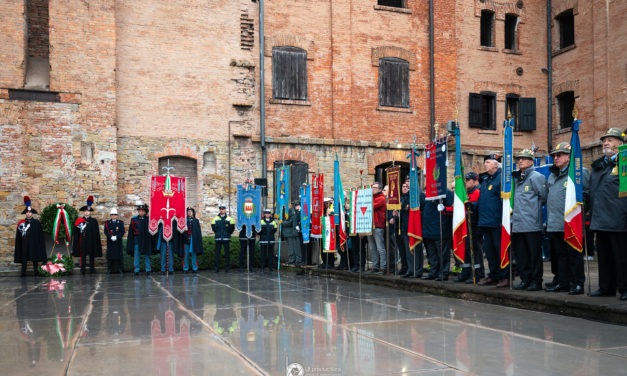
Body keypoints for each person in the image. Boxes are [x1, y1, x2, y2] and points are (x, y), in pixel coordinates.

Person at [545, 142, 590, 295]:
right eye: (554, 156)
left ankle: (577, 283)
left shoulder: (579, 172)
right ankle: (563, 282)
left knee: (574, 255)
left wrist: (584, 219)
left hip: (571, 223)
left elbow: (586, 196)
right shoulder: (552, 176)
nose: (556, 158)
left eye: (560, 155)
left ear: (569, 157)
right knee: (559, 256)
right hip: (555, 223)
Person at [589, 128, 627, 301]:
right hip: (600, 218)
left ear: (620, 143)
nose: (605, 143)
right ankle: (606, 287)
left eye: (610, 140)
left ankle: (625, 288)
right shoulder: (598, 166)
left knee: (621, 258)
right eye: (604, 140)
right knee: (604, 257)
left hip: (619, 218)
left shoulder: (624, 163)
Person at [511, 149, 547, 291]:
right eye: (519, 158)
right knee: (521, 256)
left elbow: (543, 196)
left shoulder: (536, 176)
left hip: (532, 224)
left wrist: (532, 211)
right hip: (518, 224)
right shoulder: (517, 178)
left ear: (531, 161)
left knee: (534, 256)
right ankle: (525, 280)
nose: (520, 161)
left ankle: (536, 281)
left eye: (524, 158)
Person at [477, 154, 510, 288]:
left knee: (500, 251)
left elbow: (504, 201)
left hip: (497, 222)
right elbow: (483, 200)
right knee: (490, 252)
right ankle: (494, 275)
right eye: (485, 162)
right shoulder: (486, 180)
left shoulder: (501, 179)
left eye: (488, 162)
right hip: (485, 221)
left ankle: (505, 276)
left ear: (496, 165)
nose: (485, 164)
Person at [455, 172, 485, 283]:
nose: (466, 182)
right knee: (466, 249)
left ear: (473, 180)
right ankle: (466, 272)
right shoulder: (466, 193)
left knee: (475, 250)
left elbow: (477, 209)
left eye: (467, 180)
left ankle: (477, 273)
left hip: (474, 226)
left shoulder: (477, 192)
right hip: (466, 225)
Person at [420, 189, 454, 281]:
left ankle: (443, 273)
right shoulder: (429, 192)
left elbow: (453, 207)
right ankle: (433, 272)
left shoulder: (446, 192)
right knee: (432, 254)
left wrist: (445, 209)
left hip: (441, 229)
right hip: (428, 230)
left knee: (442, 254)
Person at [14, 196, 47, 277]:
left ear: (32, 213)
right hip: (24, 243)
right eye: (27, 212)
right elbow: (19, 235)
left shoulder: (36, 223)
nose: (28, 213)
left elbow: (40, 235)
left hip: (34, 243)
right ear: (25, 213)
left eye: (29, 212)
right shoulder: (21, 223)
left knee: (34, 257)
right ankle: (23, 272)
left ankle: (36, 271)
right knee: (24, 257)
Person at [73, 196, 102, 275]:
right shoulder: (79, 221)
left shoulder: (94, 221)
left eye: (88, 211)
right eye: (85, 211)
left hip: (91, 240)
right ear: (83, 212)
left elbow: (96, 233)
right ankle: (83, 270)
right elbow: (76, 231)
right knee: (83, 255)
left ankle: (92, 269)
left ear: (90, 212)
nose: (87, 212)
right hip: (83, 240)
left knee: (92, 255)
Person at [126, 203, 154, 276]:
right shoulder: (134, 220)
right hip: (137, 239)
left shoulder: (149, 220)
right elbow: (131, 232)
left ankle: (148, 270)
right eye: (140, 211)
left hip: (146, 239)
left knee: (147, 254)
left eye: (142, 211)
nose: (141, 212)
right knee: (136, 255)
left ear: (145, 211)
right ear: (138, 211)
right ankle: (136, 270)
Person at [367, 182, 386, 273]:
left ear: (380, 189)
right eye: (372, 187)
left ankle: (383, 267)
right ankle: (375, 266)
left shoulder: (381, 198)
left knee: (380, 248)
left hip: (378, 225)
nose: (372, 189)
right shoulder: (372, 198)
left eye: (374, 188)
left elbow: (370, 206)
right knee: (372, 248)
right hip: (370, 225)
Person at [211, 204, 235, 272]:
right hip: (218, 238)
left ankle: (227, 268)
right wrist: (218, 233)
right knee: (217, 254)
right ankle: (216, 268)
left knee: (227, 254)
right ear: (219, 210)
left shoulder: (229, 219)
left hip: (226, 238)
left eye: (223, 209)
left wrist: (227, 234)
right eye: (220, 209)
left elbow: (232, 228)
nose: (221, 210)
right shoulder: (215, 218)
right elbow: (213, 228)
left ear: (225, 210)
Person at [181, 207, 204, 273]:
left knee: (194, 255)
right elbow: (182, 231)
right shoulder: (184, 220)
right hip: (186, 240)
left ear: (193, 213)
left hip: (193, 241)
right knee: (186, 255)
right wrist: (186, 237)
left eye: (190, 211)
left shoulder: (196, 221)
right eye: (188, 211)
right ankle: (185, 268)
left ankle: (195, 268)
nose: (189, 212)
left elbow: (198, 232)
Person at [104, 208, 125, 274]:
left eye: (115, 215)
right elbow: (106, 231)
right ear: (110, 215)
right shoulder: (107, 223)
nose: (113, 216)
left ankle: (120, 269)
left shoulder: (120, 223)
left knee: (119, 256)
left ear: (117, 215)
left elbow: (122, 231)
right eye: (112, 215)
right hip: (110, 242)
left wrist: (116, 237)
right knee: (110, 256)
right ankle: (109, 269)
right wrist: (110, 237)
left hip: (118, 242)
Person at [282, 201, 302, 265]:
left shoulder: (291, 211)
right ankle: (292, 259)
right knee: (290, 247)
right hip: (287, 232)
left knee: (296, 247)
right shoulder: (283, 211)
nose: (284, 206)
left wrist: (282, 222)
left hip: (292, 232)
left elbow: (290, 222)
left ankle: (297, 259)